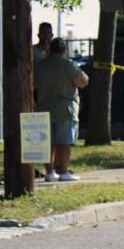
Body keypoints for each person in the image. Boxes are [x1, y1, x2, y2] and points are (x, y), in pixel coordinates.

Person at [35, 37, 89, 181]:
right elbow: (83, 82)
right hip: (65, 108)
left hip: (44, 107)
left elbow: (34, 83)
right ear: (64, 50)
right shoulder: (67, 64)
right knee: (64, 142)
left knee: (47, 142)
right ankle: (64, 172)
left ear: (49, 49)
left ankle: (49, 172)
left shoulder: (41, 65)